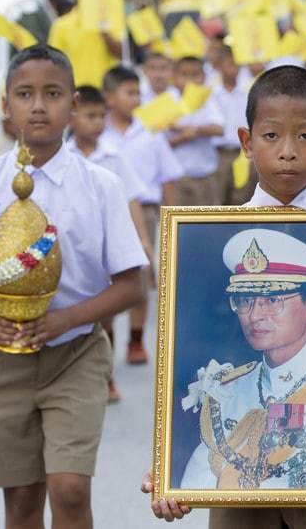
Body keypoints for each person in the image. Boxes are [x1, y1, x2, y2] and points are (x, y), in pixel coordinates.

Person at [141, 65, 306, 527]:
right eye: (270, 136)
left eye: (305, 137)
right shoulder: (227, 388)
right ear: (246, 142)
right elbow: (200, 462)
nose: (287, 152)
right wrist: (171, 476)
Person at [0, 45, 146, 529]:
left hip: (75, 353)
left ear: (73, 103)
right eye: (25, 94)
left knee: (69, 489)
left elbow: (132, 285)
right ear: (6, 106)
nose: (38, 105)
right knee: (22, 498)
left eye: (52, 94)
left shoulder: (100, 185)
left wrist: (66, 318)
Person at [179, 227, 306, 491]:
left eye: (273, 299)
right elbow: (193, 485)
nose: (255, 315)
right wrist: (169, 492)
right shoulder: (226, 391)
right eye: (244, 300)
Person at [67, 84, 155, 400]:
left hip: (111, 242)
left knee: (109, 310)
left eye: (101, 116)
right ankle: (88, 372)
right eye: (90, 116)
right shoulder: (64, 157)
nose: (97, 123)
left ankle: (107, 377)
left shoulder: (115, 157)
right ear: (71, 116)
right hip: (79, 246)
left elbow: (131, 198)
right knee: (88, 310)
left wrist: (143, 239)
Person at [99, 64, 184, 365]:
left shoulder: (150, 132)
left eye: (138, 92)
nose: (135, 98)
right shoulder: (97, 132)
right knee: (105, 279)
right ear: (109, 98)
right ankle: (105, 339)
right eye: (129, 92)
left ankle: (135, 339)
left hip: (145, 212)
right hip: (106, 213)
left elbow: (168, 176)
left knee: (139, 274)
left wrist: (171, 219)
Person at [167, 55, 225, 206]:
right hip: (178, 179)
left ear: (204, 77)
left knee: (210, 225)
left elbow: (219, 129)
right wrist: (184, 137)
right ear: (174, 77)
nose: (189, 80)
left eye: (195, 74)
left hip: (206, 176)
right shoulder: (167, 102)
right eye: (184, 75)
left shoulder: (207, 101)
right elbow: (160, 142)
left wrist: (195, 131)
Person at [211, 45, 254, 205]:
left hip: (243, 152)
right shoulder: (211, 92)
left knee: (241, 200)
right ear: (219, 65)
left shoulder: (249, 89)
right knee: (218, 200)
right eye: (229, 63)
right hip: (219, 154)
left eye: (236, 63)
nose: (233, 68)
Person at [47, 1, 122, 88]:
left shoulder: (111, 20)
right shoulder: (61, 25)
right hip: (76, 89)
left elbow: (120, 54)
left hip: (106, 90)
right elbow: (53, 61)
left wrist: (103, 28)